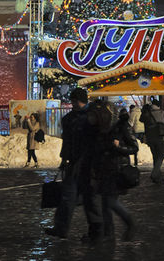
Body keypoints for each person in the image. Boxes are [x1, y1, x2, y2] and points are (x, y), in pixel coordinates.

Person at [45, 88, 103, 242]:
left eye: (73, 101)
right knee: (68, 196)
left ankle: (96, 231)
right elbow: (68, 141)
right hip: (75, 164)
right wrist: (64, 159)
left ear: (76, 101)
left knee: (90, 198)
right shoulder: (71, 118)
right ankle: (61, 228)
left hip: (89, 164)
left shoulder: (94, 116)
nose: (73, 104)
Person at [91, 101, 137, 240]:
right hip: (103, 169)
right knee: (105, 202)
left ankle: (130, 222)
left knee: (110, 201)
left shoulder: (121, 127)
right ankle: (108, 233)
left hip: (117, 169)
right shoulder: (99, 129)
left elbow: (134, 147)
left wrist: (118, 148)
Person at [141, 100, 164, 184]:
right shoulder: (161, 112)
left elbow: (141, 120)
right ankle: (155, 173)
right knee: (161, 155)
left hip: (150, 137)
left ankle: (157, 177)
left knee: (155, 156)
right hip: (160, 136)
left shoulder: (147, 113)